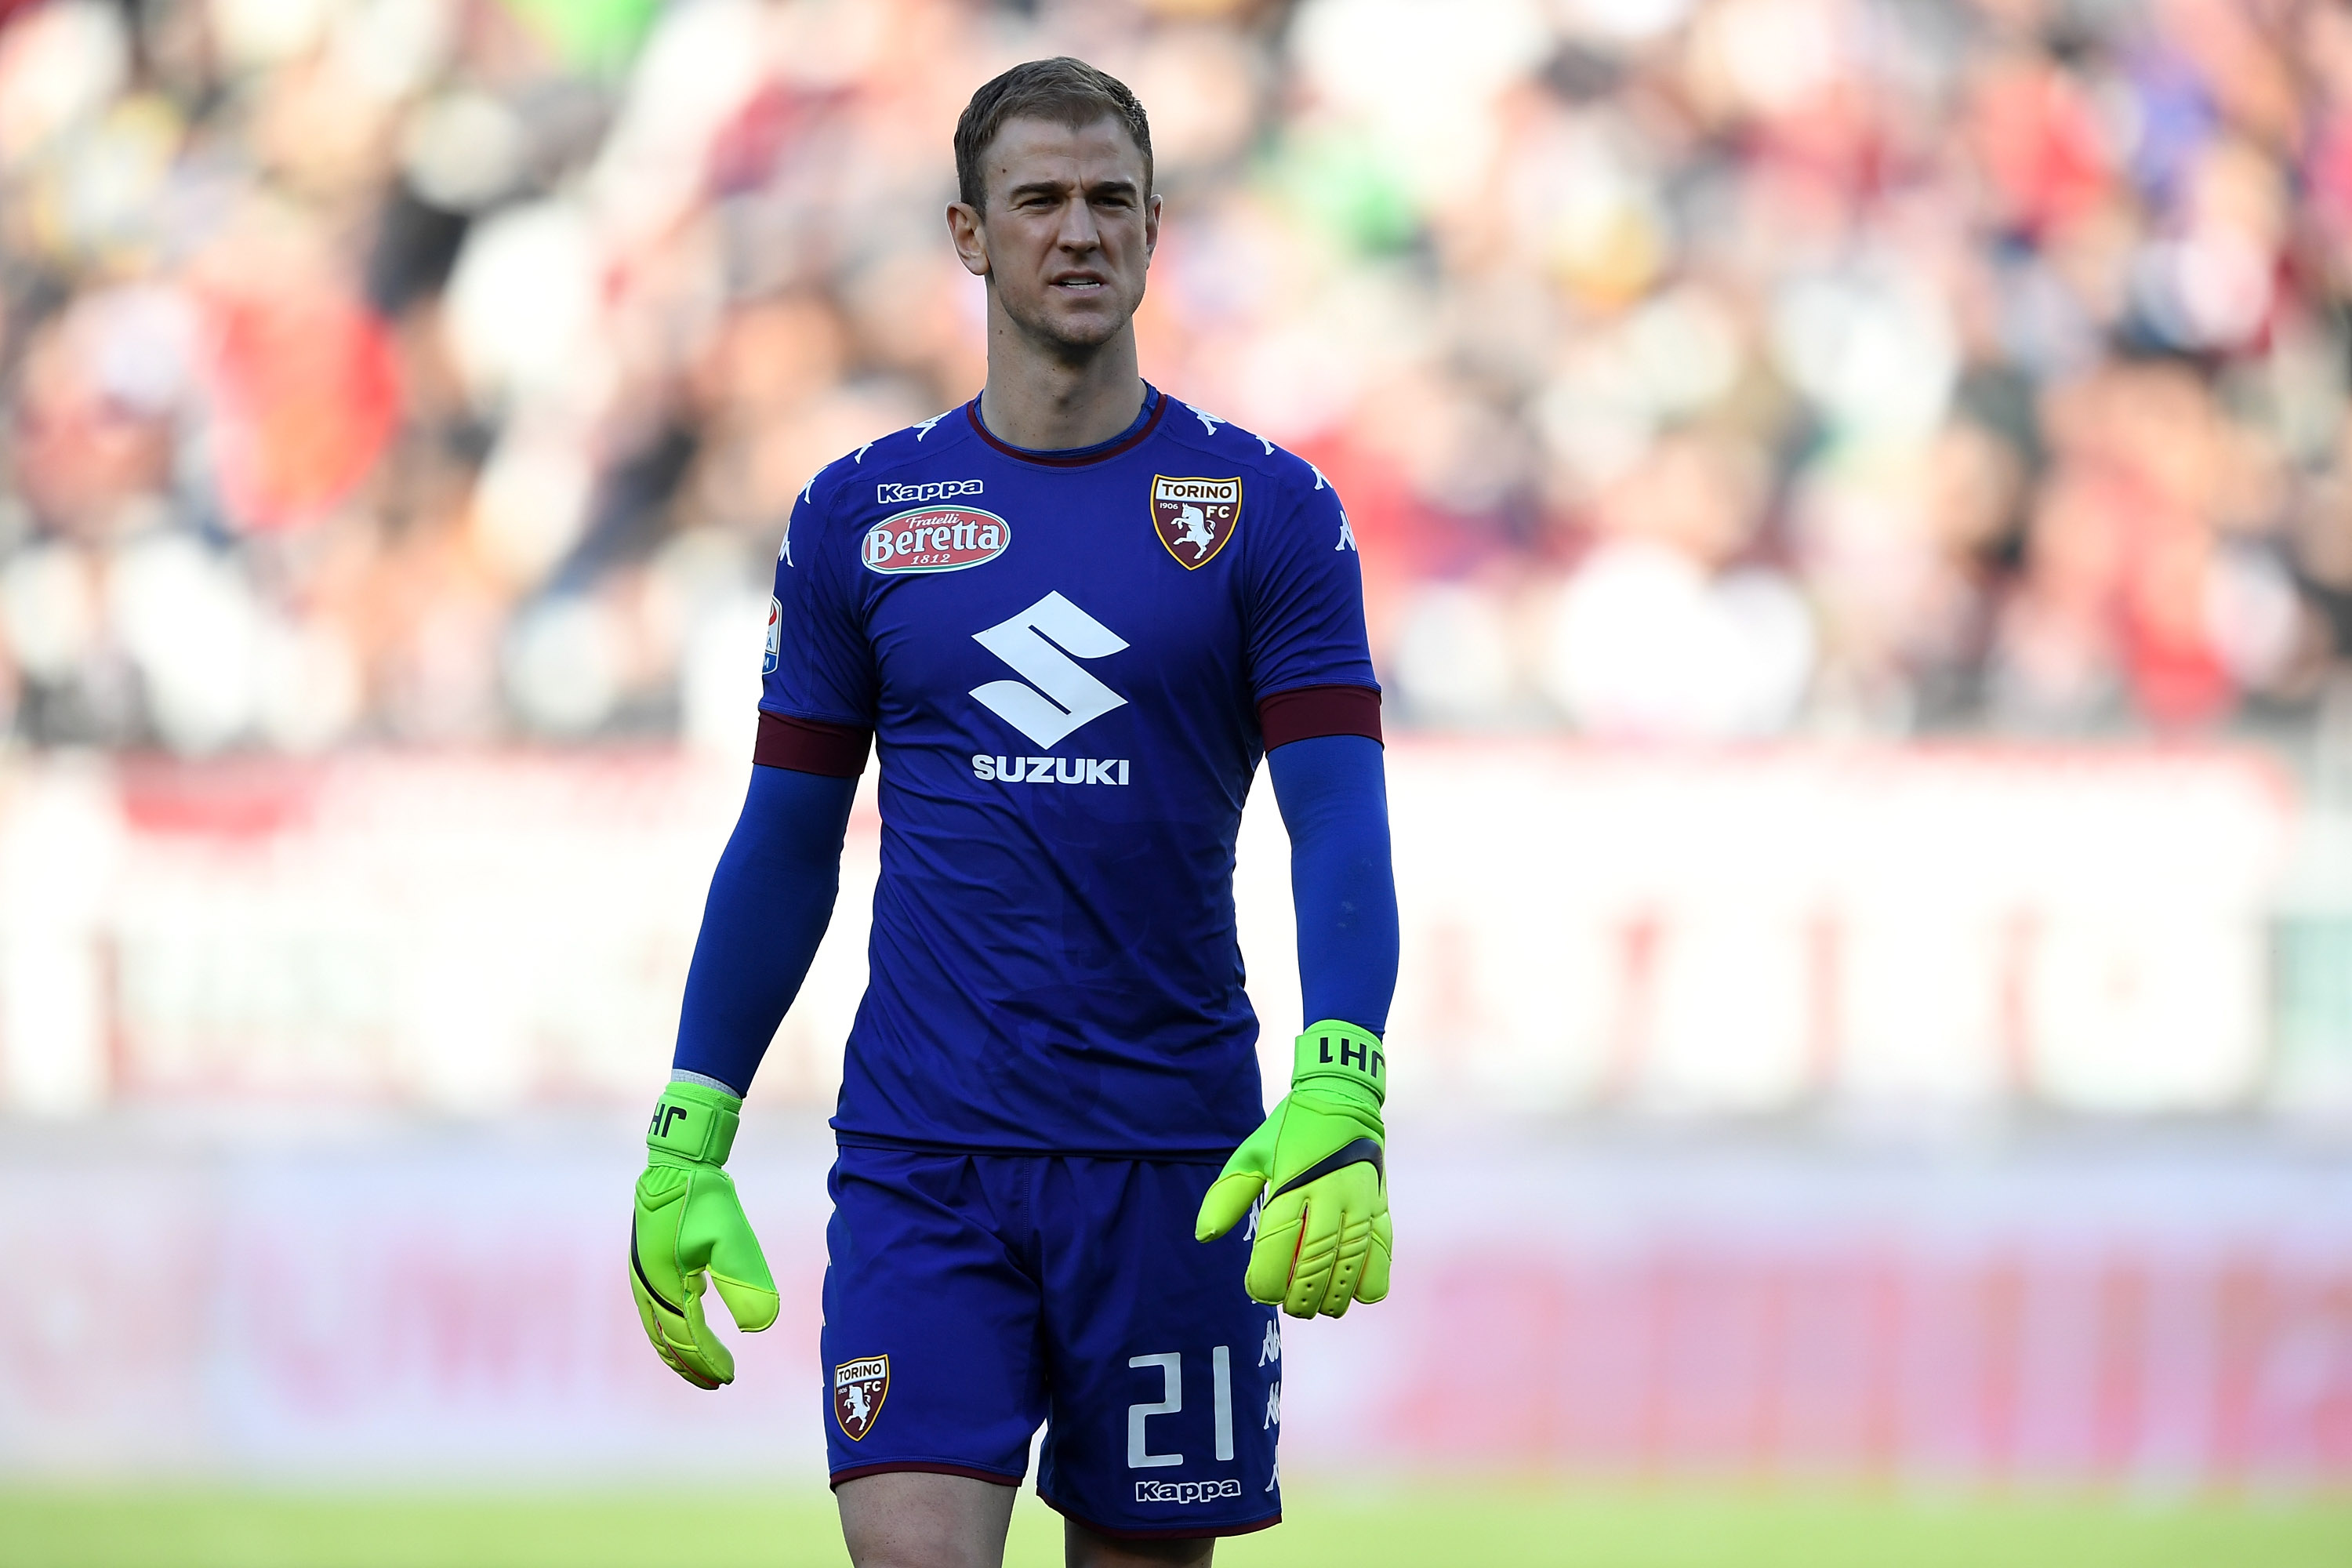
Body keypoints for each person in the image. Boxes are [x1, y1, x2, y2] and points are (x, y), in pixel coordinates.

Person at [626, 57, 1399, 1568]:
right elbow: (786, 842)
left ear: (1159, 230)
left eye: (1113, 200)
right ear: (970, 236)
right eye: (1038, 200)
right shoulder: (859, 513)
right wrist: (688, 1126)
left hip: (1179, 1164)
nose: (1079, 231)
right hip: (927, 1159)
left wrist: (1345, 1075)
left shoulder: (1269, 512)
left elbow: (1339, 820)